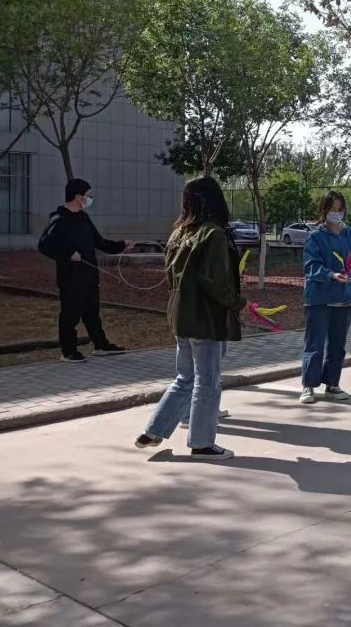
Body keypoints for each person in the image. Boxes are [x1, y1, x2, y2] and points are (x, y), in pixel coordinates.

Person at [134, 176, 244, 460]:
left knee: (185, 377)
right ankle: (202, 443)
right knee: (207, 382)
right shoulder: (214, 234)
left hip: (180, 316)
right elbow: (217, 283)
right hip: (206, 318)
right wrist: (237, 302)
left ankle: (153, 430)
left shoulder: (178, 233)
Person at [37, 178, 134, 362]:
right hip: (70, 277)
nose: (90, 199)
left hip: (89, 275)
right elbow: (44, 245)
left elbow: (99, 242)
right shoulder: (59, 218)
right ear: (78, 197)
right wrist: (68, 254)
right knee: (71, 314)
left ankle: (101, 345)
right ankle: (69, 351)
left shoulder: (83, 218)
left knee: (92, 312)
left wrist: (122, 245)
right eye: (89, 195)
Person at [299, 191, 351, 404]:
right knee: (315, 343)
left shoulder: (348, 234)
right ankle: (309, 386)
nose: (336, 214)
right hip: (319, 298)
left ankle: (332, 384)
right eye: (332, 210)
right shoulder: (315, 236)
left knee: (338, 345)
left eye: (340, 210)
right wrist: (331, 275)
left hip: (344, 297)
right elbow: (311, 266)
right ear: (324, 210)